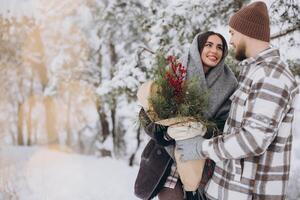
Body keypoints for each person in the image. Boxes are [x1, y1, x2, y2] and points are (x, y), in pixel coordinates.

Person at [169, 2, 299, 200]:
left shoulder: (271, 76)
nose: (231, 41)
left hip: (248, 193)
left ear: (246, 32)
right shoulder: (254, 72)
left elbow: (253, 139)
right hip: (229, 189)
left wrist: (200, 148)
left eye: (232, 33)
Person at [134, 31, 238, 200]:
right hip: (168, 159)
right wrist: (165, 134)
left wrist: (204, 130)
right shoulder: (177, 70)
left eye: (220, 47)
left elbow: (227, 123)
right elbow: (148, 112)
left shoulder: (229, 82)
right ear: (198, 47)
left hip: (202, 160)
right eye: (208, 45)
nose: (214, 51)